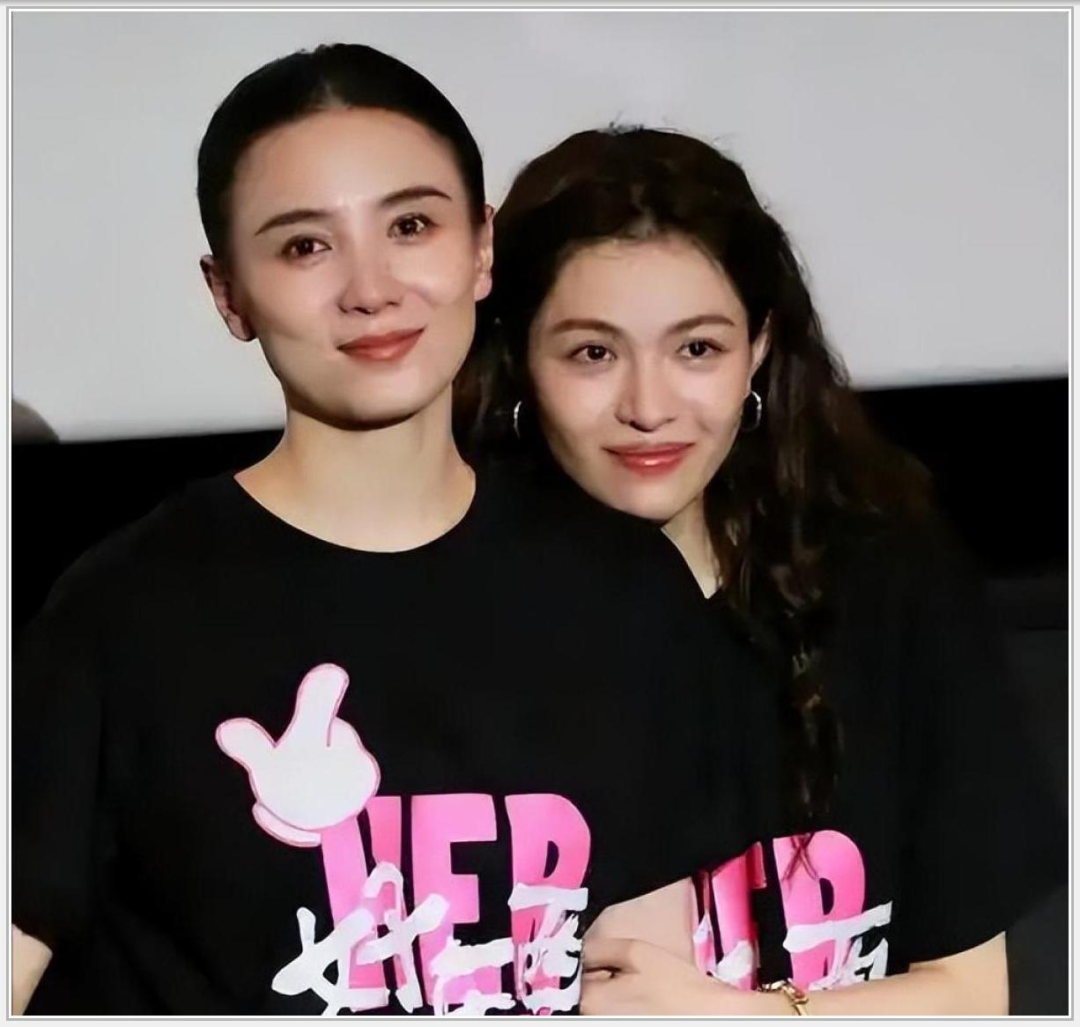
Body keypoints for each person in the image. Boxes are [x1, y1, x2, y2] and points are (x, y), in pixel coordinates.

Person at [11, 54, 759, 1016]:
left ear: (481, 247)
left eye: (411, 226)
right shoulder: (124, 615)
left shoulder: (623, 589)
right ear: (228, 292)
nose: (371, 289)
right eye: (304, 246)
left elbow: (648, 986)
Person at [458, 125, 1066, 1015]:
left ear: (760, 345)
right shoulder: (445, 613)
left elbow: (971, 997)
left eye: (697, 348)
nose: (649, 406)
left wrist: (741, 1016)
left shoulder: (887, 580)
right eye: (593, 352)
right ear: (518, 358)